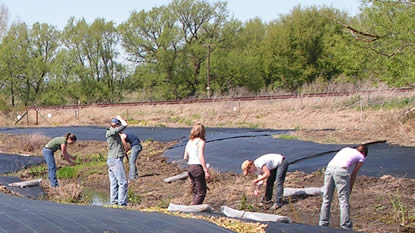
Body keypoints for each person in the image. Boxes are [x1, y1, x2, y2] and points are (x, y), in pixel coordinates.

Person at [319, 144, 368, 230]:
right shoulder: (361, 157)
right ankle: (346, 227)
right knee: (343, 200)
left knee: (326, 198)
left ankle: (323, 224)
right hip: (341, 171)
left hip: (329, 168)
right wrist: (350, 189)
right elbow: (353, 175)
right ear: (364, 153)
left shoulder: (346, 149)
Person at [183, 122, 210, 205]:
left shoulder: (189, 142)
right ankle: (194, 208)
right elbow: (200, 156)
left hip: (190, 166)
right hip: (197, 167)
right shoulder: (200, 142)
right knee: (201, 191)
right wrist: (206, 170)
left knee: (195, 190)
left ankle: (193, 204)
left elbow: (185, 157)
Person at [106, 116, 128, 206]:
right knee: (123, 182)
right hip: (115, 159)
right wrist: (121, 118)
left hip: (111, 159)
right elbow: (125, 125)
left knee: (114, 183)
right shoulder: (112, 131)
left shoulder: (111, 132)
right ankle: (122, 203)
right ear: (116, 125)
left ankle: (113, 203)